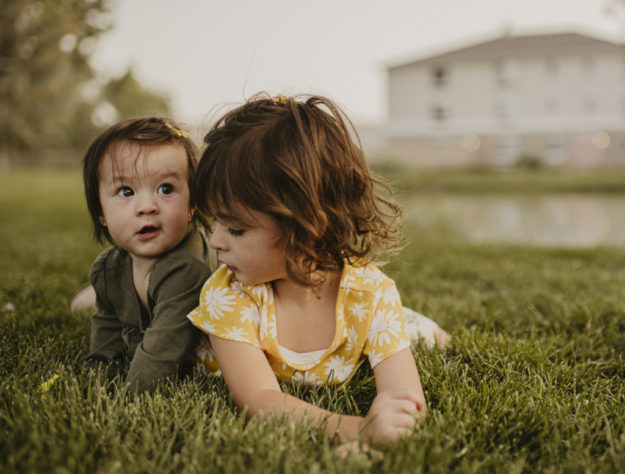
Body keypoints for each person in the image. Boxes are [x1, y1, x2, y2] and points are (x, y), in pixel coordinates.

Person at [187, 93, 449, 443]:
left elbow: (404, 399)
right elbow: (259, 399)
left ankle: (419, 326)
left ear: (308, 226)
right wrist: (359, 431)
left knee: (414, 329)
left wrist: (390, 429)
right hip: (207, 310)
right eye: (215, 223)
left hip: (367, 305)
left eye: (235, 228)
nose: (216, 240)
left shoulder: (371, 294)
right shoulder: (227, 294)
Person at [79, 116, 217, 393]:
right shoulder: (108, 268)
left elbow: (165, 346)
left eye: (166, 189)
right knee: (97, 300)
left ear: (192, 205)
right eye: (125, 191)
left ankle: (87, 296)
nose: (146, 207)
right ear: (101, 213)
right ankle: (89, 295)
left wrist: (132, 394)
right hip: (125, 280)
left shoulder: (187, 269)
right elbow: (107, 325)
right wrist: (98, 364)